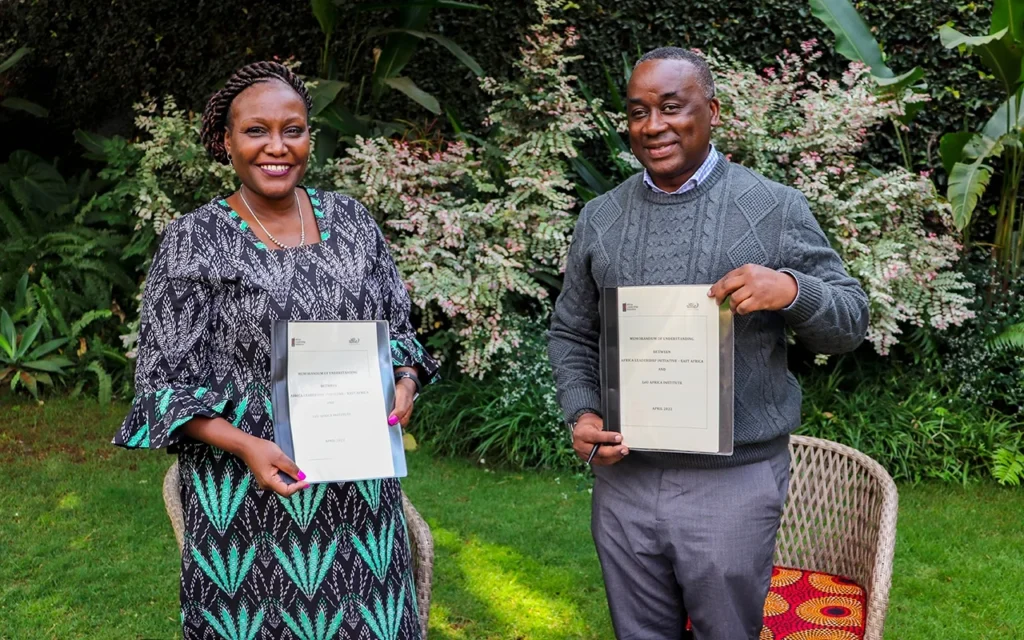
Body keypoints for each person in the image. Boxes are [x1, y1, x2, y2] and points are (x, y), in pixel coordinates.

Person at [547, 48, 869, 640]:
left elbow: (850, 323)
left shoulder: (774, 207)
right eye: (638, 111)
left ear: (713, 110)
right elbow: (572, 330)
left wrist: (792, 290)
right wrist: (583, 409)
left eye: (672, 107)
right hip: (626, 480)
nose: (653, 126)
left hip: (732, 483)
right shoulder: (600, 218)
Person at [112, 61, 438, 640]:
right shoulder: (195, 239)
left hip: (358, 499)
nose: (277, 147)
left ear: (310, 136)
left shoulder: (353, 222)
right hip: (242, 502)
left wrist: (404, 380)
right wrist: (245, 445)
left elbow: (399, 333)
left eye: (293, 129)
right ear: (226, 142)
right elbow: (162, 386)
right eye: (256, 131)